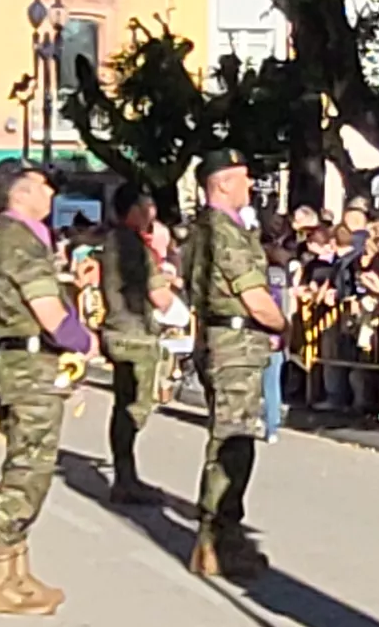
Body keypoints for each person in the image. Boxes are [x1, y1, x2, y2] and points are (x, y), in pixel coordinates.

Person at [0, 160, 89, 615]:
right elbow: (47, 310)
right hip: (29, 366)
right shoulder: (20, 242)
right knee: (28, 472)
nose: (51, 196)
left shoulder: (9, 240)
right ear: (20, 193)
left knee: (29, 468)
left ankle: (17, 570)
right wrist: (81, 338)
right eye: (44, 187)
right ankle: (0, 577)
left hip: (19, 362)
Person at [184, 153, 290, 577]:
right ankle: (219, 537)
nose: (251, 186)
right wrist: (284, 325)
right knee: (235, 441)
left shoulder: (202, 229)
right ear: (222, 184)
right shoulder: (223, 230)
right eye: (244, 179)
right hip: (236, 342)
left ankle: (215, 536)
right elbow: (253, 296)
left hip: (218, 337)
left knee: (224, 437)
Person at [101, 180, 174, 506]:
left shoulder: (114, 242)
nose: (152, 214)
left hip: (118, 329)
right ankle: (126, 478)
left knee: (123, 405)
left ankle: (125, 474)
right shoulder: (133, 245)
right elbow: (159, 296)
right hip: (134, 333)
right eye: (146, 207)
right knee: (135, 409)